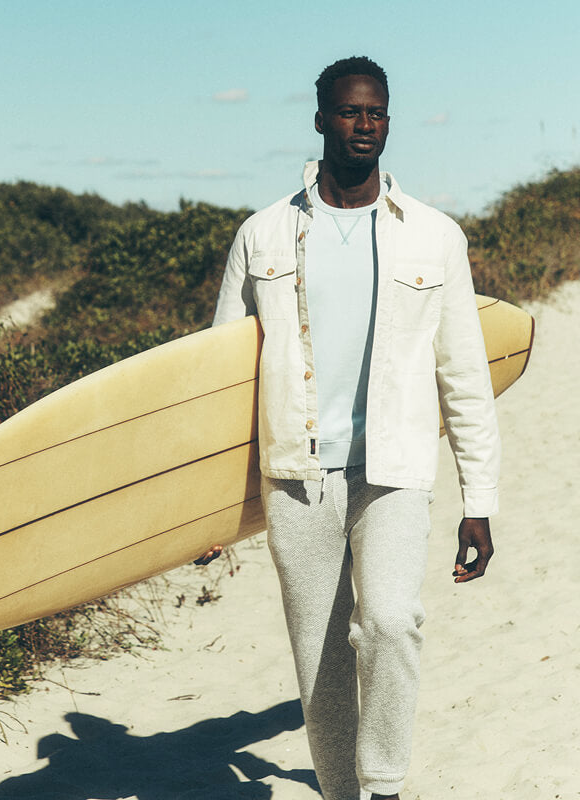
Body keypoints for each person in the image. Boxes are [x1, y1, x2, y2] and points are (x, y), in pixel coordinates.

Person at [198, 56, 500, 800]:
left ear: (388, 120)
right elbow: (218, 384)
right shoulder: (263, 235)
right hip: (296, 478)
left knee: (392, 623)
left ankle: (385, 784)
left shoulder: (434, 236)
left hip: (392, 471)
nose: (365, 125)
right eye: (350, 112)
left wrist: (480, 498)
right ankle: (342, 795)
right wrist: (203, 507)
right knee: (321, 658)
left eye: (377, 113)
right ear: (321, 119)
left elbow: (465, 376)